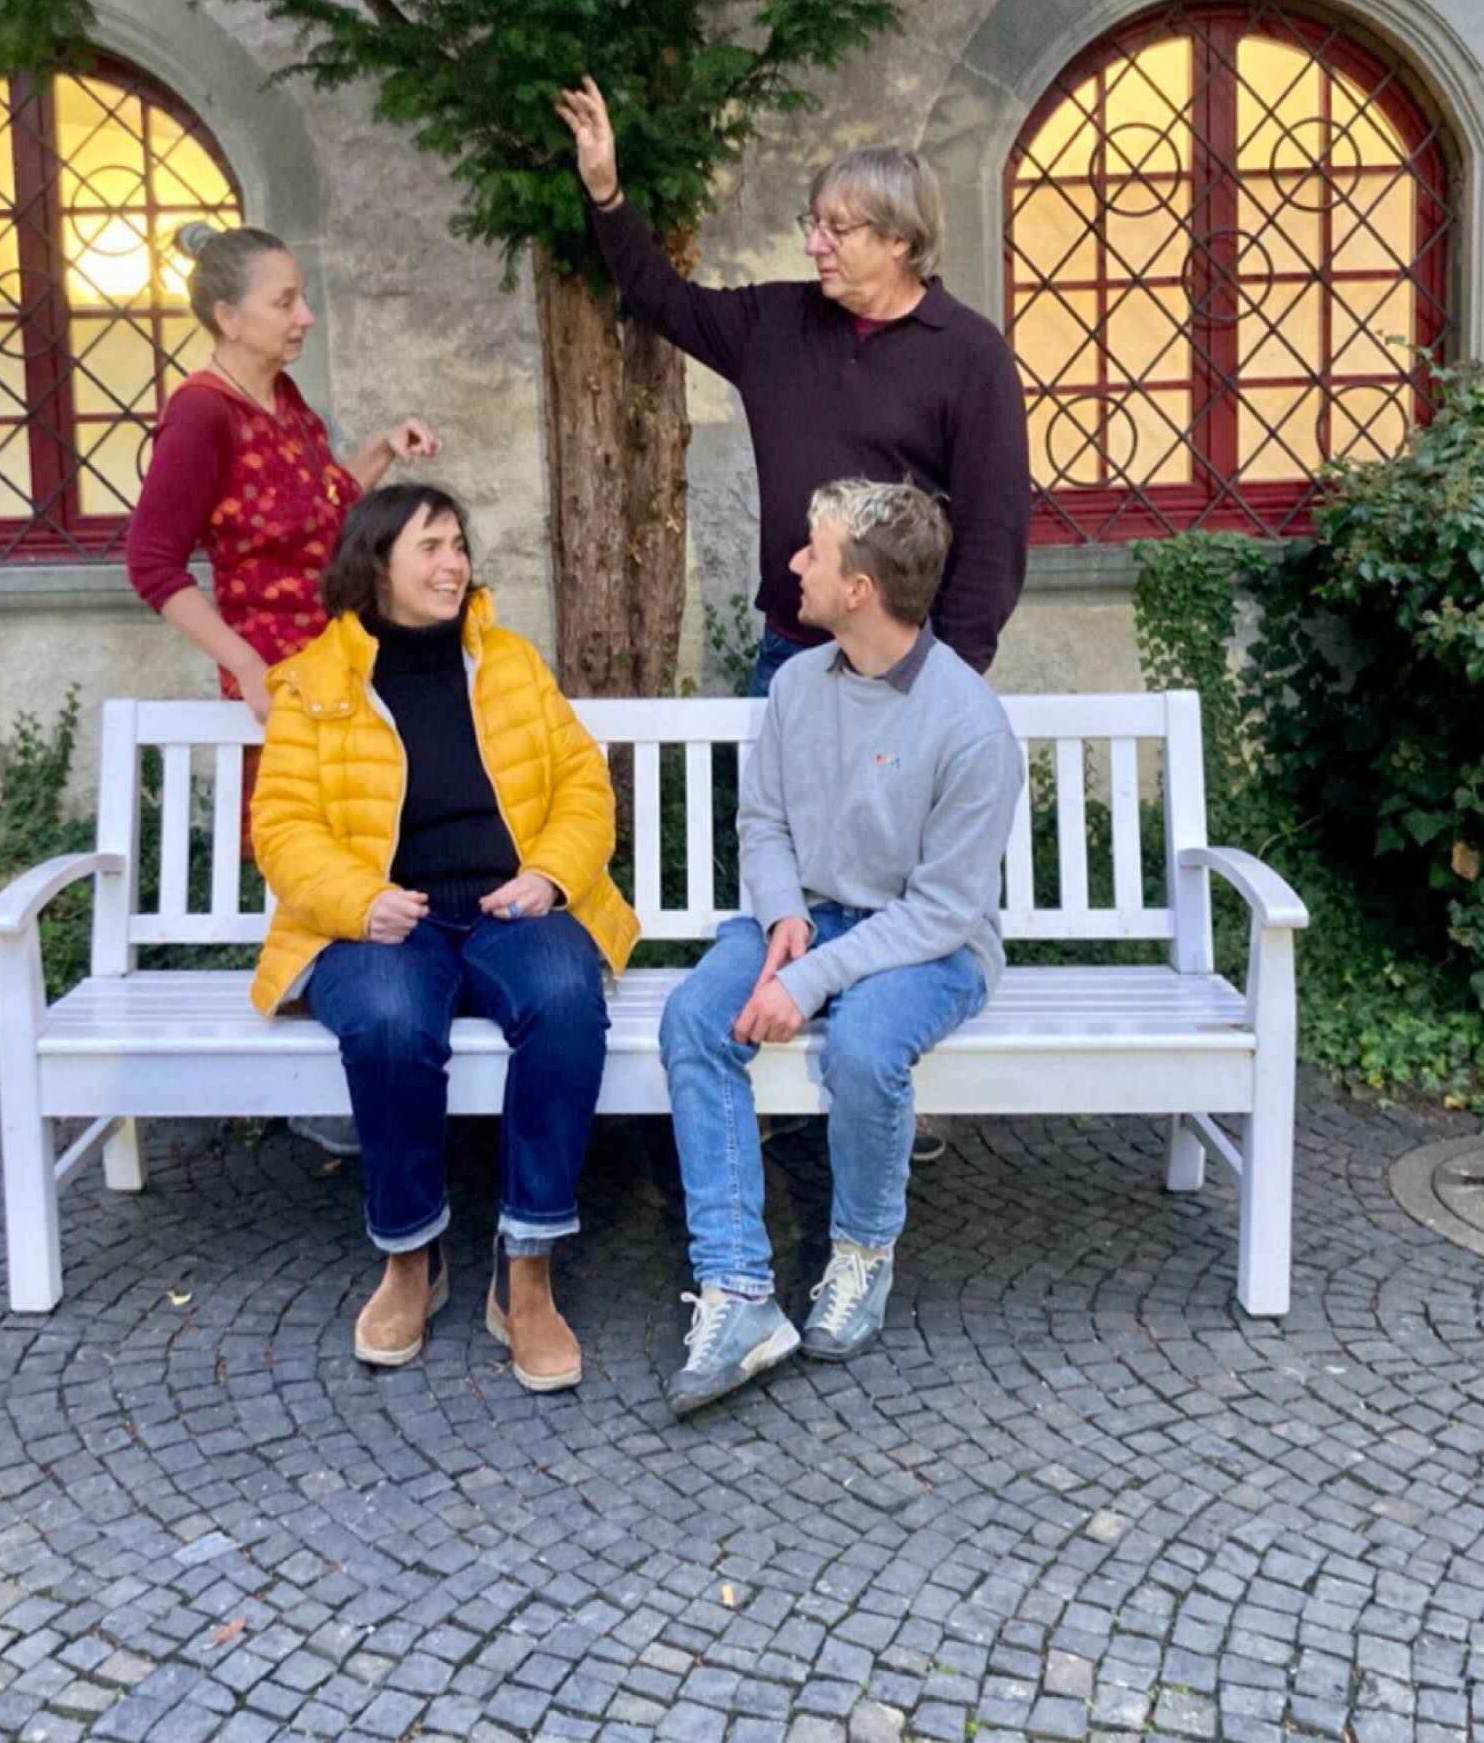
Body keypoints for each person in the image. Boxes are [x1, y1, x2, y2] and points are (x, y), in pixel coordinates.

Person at [248, 485, 640, 1391]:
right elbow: (285, 827)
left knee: (564, 998)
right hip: (387, 918)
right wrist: (358, 900)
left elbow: (584, 785)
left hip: (512, 905)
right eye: (429, 547)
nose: (452, 564)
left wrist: (548, 875)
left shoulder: (506, 662)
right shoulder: (314, 682)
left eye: (458, 544)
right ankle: (409, 1258)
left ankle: (529, 1270)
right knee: (386, 1016)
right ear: (374, 562)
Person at [656, 480, 1023, 1417]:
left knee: (864, 1046)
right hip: (808, 917)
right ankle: (738, 1291)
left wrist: (812, 977)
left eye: (811, 552)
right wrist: (781, 915)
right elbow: (763, 821)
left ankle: (860, 1252)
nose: (794, 566)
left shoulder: (970, 723)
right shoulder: (793, 685)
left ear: (858, 588)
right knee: (696, 1018)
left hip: (927, 942)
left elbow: (942, 912)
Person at [554, 76, 1030, 691]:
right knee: (772, 795)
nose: (813, 245)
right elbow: (661, 301)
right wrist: (606, 192)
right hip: (791, 655)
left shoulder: (972, 356)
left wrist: (951, 675)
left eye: (837, 230)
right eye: (815, 224)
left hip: (910, 660)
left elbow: (994, 533)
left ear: (898, 241)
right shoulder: (773, 324)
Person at [127, 223, 440, 1157]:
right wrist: (248, 667)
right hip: (283, 685)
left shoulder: (282, 397)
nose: (303, 316)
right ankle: (342, 1088)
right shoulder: (201, 414)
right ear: (227, 317)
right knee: (314, 865)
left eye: (302, 298)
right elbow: (151, 564)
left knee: (376, 845)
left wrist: (383, 447)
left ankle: (384, 1059)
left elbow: (323, 512)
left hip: (348, 665)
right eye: (284, 302)